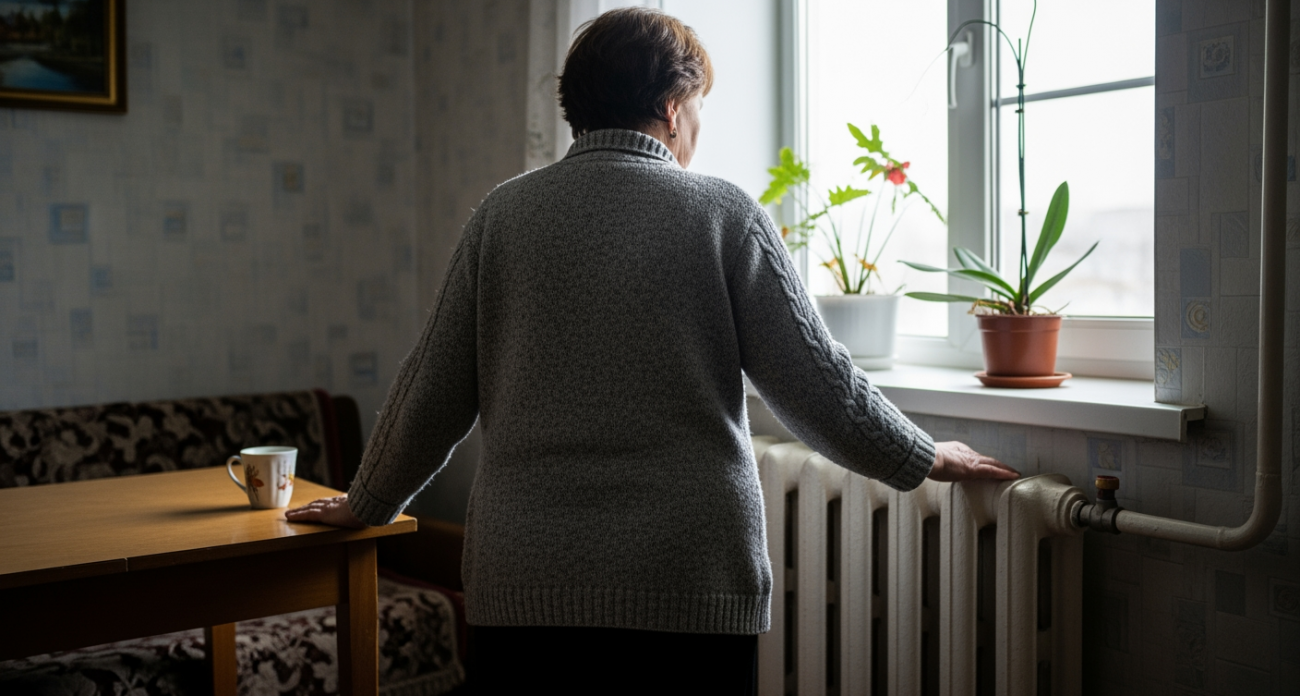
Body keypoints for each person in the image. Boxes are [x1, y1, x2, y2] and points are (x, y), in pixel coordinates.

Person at [286, 7, 1018, 694]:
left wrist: (369, 503)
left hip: (526, 584)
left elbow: (432, 389)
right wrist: (924, 456)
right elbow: (818, 385)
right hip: (688, 581)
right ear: (673, 106)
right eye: (698, 105)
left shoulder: (502, 217)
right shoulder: (723, 213)